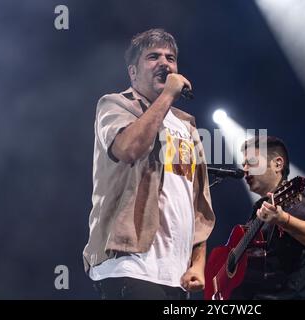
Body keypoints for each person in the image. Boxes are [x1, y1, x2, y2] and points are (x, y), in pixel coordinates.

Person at [83, 28, 215, 300]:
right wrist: (168, 95)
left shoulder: (187, 126)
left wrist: (199, 264)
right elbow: (130, 149)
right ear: (133, 72)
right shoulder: (116, 105)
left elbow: (198, 205)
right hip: (129, 266)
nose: (165, 63)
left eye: (170, 57)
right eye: (153, 57)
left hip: (176, 275)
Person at [230, 136, 305, 300]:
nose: (245, 169)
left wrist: (283, 219)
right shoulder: (260, 208)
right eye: (243, 164)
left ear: (277, 164)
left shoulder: (296, 197)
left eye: (251, 162)